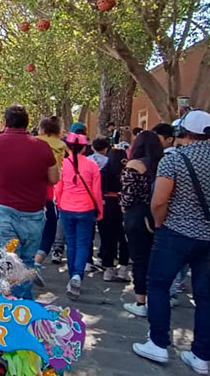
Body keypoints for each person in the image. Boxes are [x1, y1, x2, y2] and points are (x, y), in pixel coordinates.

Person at [133, 110, 210, 375]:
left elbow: (159, 200)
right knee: (206, 295)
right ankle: (201, 355)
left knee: (158, 284)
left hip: (176, 232)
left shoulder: (174, 159)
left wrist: (158, 222)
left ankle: (158, 342)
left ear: (182, 132)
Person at [0, 105, 59, 299]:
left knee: (10, 259)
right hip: (34, 212)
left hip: (5, 209)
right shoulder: (41, 146)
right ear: (27, 123)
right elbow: (54, 178)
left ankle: (13, 303)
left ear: (5, 123)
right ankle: (22, 301)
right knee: (28, 260)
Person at [120, 131, 164, 317]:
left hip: (136, 215)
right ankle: (159, 297)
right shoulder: (162, 164)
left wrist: (123, 207)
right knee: (155, 259)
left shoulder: (134, 165)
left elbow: (128, 195)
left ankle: (140, 301)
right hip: (159, 213)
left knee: (139, 259)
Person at [55, 132, 103, 300]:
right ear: (84, 148)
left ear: (67, 147)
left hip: (67, 207)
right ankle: (77, 275)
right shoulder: (92, 165)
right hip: (86, 208)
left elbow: (58, 188)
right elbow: (96, 191)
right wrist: (99, 210)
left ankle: (72, 276)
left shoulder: (63, 165)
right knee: (83, 243)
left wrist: (60, 204)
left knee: (71, 243)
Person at [34, 116, 65, 284]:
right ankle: (36, 262)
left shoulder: (32, 143)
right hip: (47, 194)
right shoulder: (61, 146)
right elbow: (56, 176)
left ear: (42, 130)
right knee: (49, 229)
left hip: (28, 192)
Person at [99, 146, 130, 282]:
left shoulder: (104, 172)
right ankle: (123, 268)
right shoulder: (128, 172)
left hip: (107, 205)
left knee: (107, 238)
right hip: (124, 205)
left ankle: (108, 268)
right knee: (124, 238)